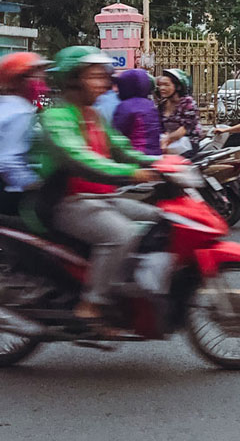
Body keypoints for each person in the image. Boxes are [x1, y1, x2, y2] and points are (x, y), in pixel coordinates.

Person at [28, 47, 159, 329]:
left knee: (160, 219)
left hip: (102, 198)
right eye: (94, 76)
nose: (103, 82)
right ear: (73, 79)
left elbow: (122, 148)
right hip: (67, 202)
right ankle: (91, 304)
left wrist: (159, 163)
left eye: (103, 75)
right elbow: (80, 157)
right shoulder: (57, 117)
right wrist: (130, 173)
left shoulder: (94, 115)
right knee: (122, 234)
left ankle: (125, 288)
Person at [0, 52, 50, 215]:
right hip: (12, 193)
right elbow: (8, 161)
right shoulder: (19, 111)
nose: (41, 83)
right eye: (35, 77)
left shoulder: (9, 106)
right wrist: (34, 184)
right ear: (16, 81)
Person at [112, 69, 162, 156]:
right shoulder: (150, 105)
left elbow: (117, 133)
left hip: (135, 156)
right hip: (155, 156)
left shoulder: (125, 106)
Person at [157, 69, 202, 156]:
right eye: (160, 85)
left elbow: (184, 130)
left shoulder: (188, 103)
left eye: (166, 85)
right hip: (168, 144)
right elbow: (160, 127)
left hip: (187, 144)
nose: (162, 88)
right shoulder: (162, 105)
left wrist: (166, 140)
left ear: (177, 86)